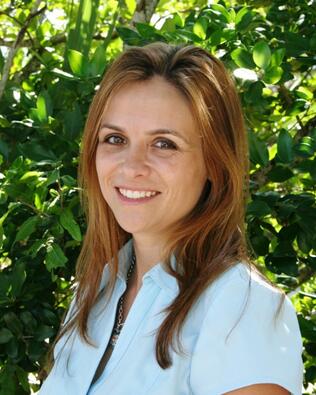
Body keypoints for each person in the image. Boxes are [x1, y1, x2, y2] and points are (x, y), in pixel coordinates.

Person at [38, 42, 303, 395]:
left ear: (214, 162)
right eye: (115, 138)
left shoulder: (240, 307)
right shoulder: (98, 288)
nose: (132, 167)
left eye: (164, 144)